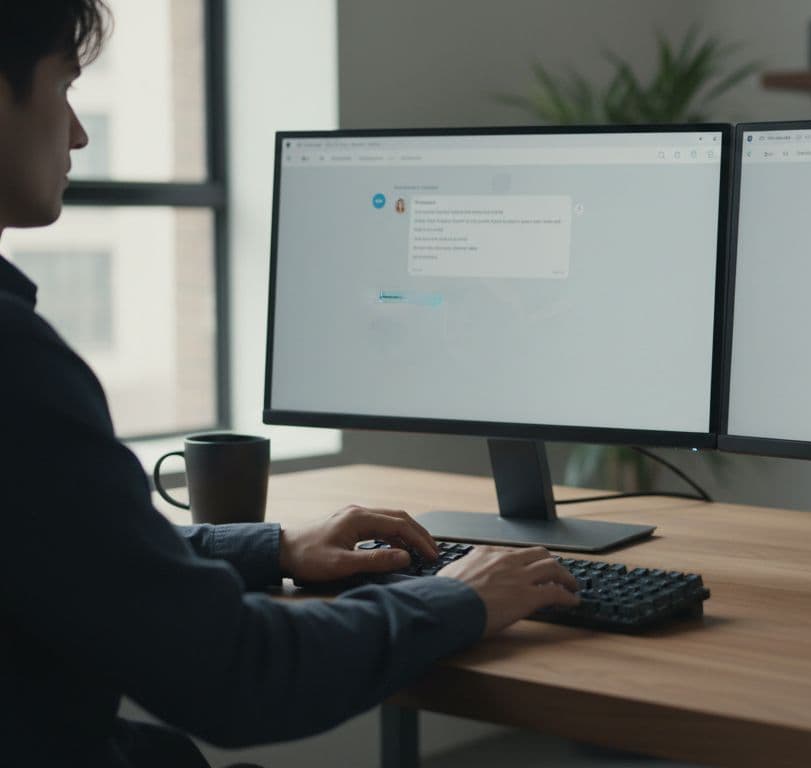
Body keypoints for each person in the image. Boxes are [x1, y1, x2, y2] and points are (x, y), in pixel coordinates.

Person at [0, 3, 579, 766]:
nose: (77, 132)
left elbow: (76, 553)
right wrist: (455, 596)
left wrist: (273, 546)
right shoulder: (17, 367)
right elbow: (238, 674)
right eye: (65, 88)